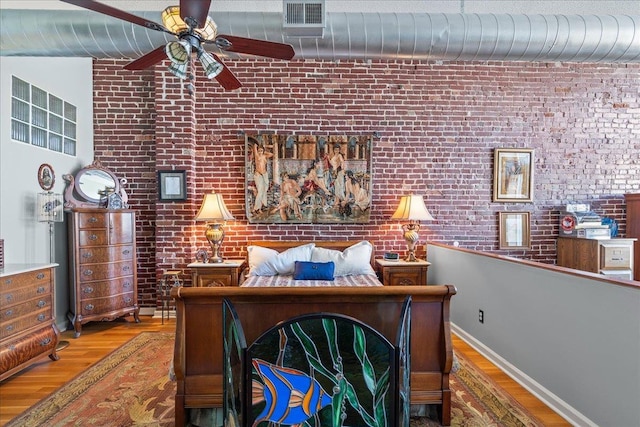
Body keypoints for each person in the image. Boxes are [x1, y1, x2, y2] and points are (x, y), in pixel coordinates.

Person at [252, 143, 273, 214]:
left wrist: (264, 148)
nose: (260, 152)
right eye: (259, 151)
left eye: (261, 151)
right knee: (260, 191)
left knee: (264, 190)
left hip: (265, 174)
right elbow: (254, 147)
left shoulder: (264, 156)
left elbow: (271, 154)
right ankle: (255, 208)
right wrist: (256, 148)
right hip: (258, 174)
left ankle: (262, 206)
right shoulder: (257, 156)